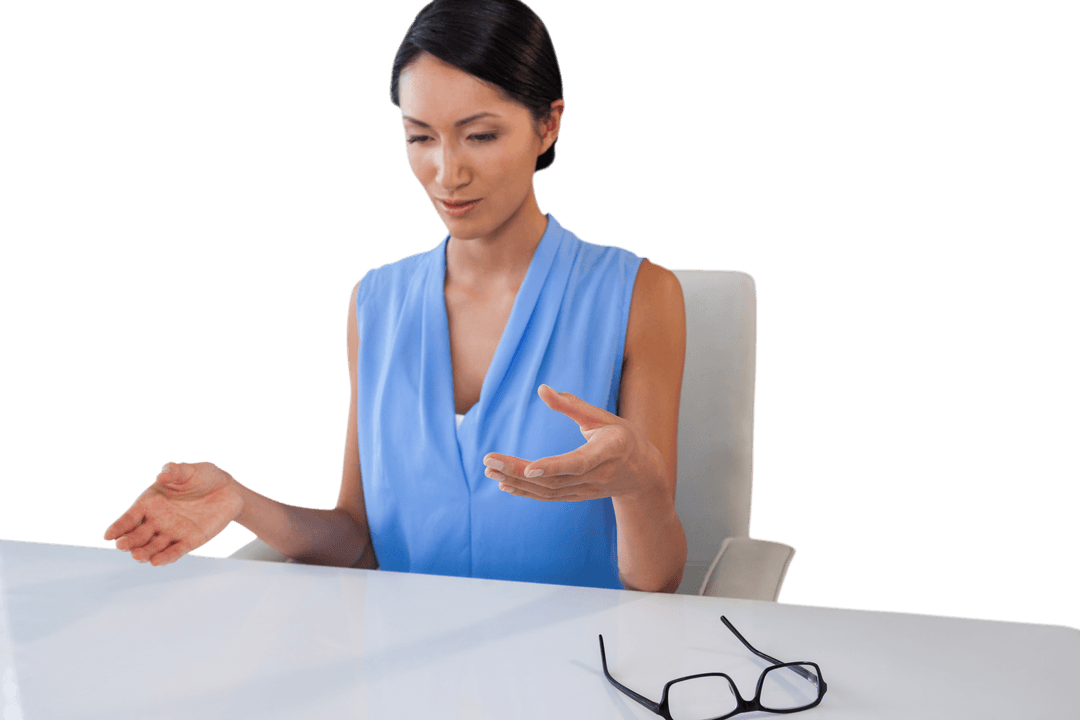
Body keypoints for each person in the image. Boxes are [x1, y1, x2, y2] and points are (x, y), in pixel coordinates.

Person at [103, 0, 687, 593]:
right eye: (420, 137)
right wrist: (239, 503)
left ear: (548, 124)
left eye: (480, 135)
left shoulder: (640, 295)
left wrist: (639, 483)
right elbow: (359, 543)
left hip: (579, 658)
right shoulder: (375, 303)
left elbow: (657, 583)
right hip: (402, 665)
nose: (447, 172)